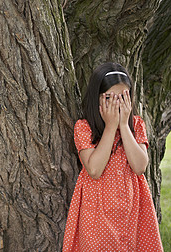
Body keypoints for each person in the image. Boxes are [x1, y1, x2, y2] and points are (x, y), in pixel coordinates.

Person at [62, 62, 163, 251]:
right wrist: (110, 127)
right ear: (97, 98)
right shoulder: (84, 127)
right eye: (109, 97)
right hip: (97, 210)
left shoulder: (136, 125)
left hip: (132, 209)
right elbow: (94, 169)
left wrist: (124, 126)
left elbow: (140, 166)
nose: (117, 104)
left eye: (123, 97)